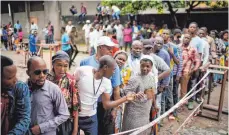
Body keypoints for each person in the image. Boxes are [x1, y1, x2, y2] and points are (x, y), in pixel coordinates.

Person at [74, 55, 135, 135]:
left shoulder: (107, 83)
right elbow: (70, 85)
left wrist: (125, 98)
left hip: (91, 118)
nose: (114, 72)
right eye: (113, 69)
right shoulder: (83, 71)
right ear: (105, 67)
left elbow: (106, 105)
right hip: (75, 116)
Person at [80, 36, 121, 134]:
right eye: (108, 48)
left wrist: (115, 109)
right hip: (88, 106)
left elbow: (116, 89)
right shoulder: (85, 62)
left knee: (105, 131)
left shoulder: (113, 65)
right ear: (99, 47)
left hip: (105, 105)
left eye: (112, 48)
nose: (111, 51)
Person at [26, 56, 70, 135]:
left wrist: (41, 128)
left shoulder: (54, 89)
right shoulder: (22, 89)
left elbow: (64, 114)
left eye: (45, 71)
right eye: (37, 72)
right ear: (28, 72)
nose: (42, 75)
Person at [46, 51, 80, 135]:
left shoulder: (71, 80)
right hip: (48, 122)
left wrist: (75, 130)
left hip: (66, 124)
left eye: (65, 66)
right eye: (59, 65)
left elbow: (75, 107)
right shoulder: (46, 79)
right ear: (53, 64)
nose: (62, 69)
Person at [122, 55, 157, 135]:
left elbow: (153, 93)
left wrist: (155, 105)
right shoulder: (135, 78)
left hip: (145, 111)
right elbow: (125, 93)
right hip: (134, 112)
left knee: (143, 130)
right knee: (133, 131)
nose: (145, 68)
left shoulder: (151, 77)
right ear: (139, 65)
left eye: (148, 66)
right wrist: (135, 95)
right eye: (143, 66)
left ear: (151, 67)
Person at [1, 55, 31, 135]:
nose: (16, 80)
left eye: (15, 75)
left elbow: (24, 118)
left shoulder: (20, 87)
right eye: (10, 78)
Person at [179, 33, 201, 111]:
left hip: (185, 72)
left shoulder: (192, 49)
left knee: (183, 90)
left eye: (188, 38)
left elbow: (197, 60)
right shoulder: (178, 47)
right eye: (185, 37)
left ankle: (181, 105)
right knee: (175, 89)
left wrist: (194, 69)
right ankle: (175, 104)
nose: (186, 39)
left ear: (190, 40)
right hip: (176, 71)